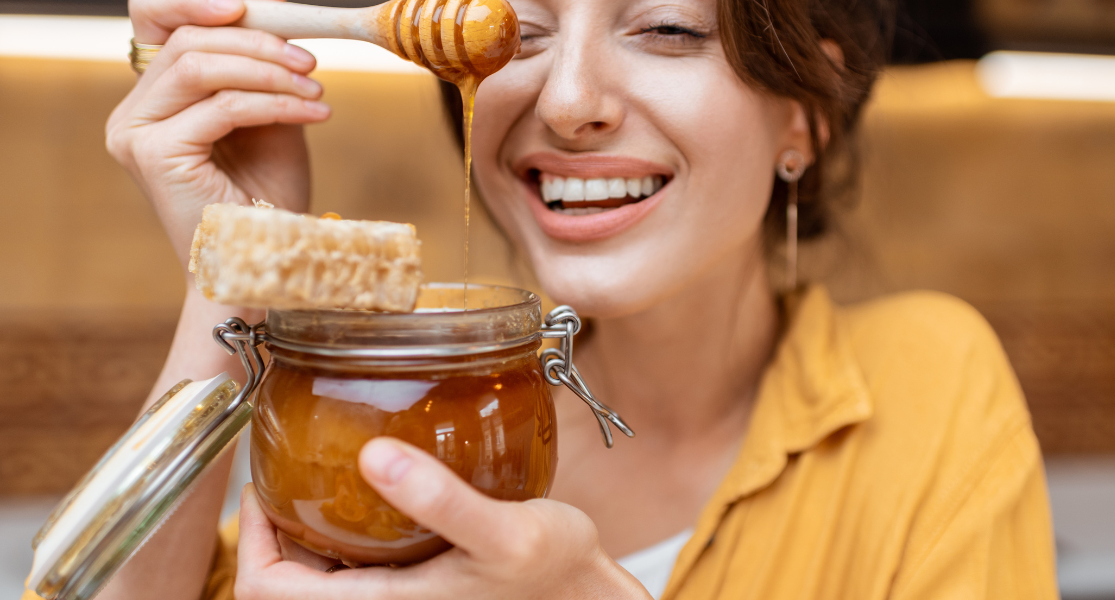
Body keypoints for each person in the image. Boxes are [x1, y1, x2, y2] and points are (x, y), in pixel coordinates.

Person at [91, 0, 1059, 598]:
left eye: (667, 28)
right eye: (520, 34)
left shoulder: (926, 383)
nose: (566, 101)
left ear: (805, 111)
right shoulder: (435, 414)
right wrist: (241, 267)